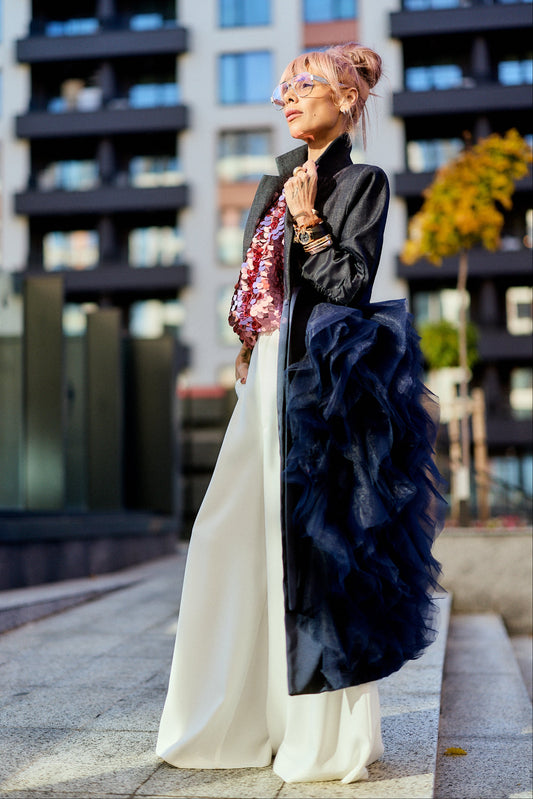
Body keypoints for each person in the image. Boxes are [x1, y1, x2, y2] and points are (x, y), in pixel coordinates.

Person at [157, 42, 444, 784]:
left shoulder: (359, 181)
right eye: (284, 88)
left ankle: (321, 740)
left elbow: (346, 286)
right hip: (265, 381)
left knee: (312, 554)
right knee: (231, 537)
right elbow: (260, 290)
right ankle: (234, 721)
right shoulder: (275, 180)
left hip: (318, 387)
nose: (287, 97)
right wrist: (246, 346)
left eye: (305, 86)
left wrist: (310, 219)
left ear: (346, 100)